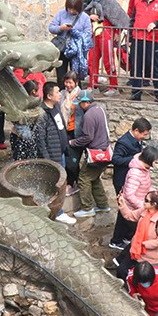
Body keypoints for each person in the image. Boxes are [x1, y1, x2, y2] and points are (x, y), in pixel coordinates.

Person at [33, 82, 77, 225]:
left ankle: (57, 211)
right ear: (49, 96)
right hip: (51, 156)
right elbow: (40, 139)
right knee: (54, 185)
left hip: (60, 153)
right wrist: (47, 159)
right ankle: (57, 212)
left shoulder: (56, 107)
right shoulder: (42, 113)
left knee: (61, 184)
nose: (60, 94)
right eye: (58, 92)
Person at [109, 117, 152, 249]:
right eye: (144, 134)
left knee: (131, 210)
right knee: (124, 210)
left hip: (132, 179)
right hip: (122, 180)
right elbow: (115, 159)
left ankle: (127, 236)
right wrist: (132, 159)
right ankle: (116, 240)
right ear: (136, 131)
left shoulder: (137, 141)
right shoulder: (123, 142)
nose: (144, 137)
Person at [69, 90, 112, 218]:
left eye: (80, 103)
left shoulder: (88, 115)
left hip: (96, 153)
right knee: (94, 178)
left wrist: (73, 142)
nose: (79, 106)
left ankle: (87, 207)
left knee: (83, 178)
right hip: (104, 152)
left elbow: (87, 137)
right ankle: (103, 205)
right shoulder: (100, 109)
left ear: (86, 102)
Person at [84, 0, 130, 96]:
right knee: (92, 59)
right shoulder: (93, 2)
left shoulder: (110, 1)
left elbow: (118, 17)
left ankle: (113, 86)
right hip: (95, 33)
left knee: (108, 61)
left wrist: (117, 32)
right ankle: (92, 84)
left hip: (107, 32)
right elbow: (86, 11)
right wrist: (90, 16)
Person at [110, 145, 158, 251]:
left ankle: (124, 240)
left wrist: (153, 192)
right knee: (132, 226)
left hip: (136, 204)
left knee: (125, 226)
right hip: (131, 206)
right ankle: (119, 244)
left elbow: (144, 185)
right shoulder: (135, 173)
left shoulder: (143, 169)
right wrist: (142, 206)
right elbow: (129, 194)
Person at [116, 190, 158, 278]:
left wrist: (144, 244)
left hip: (148, 258)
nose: (143, 202)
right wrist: (122, 204)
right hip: (135, 251)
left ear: (153, 204)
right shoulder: (143, 211)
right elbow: (130, 216)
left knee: (141, 279)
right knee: (121, 271)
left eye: (146, 200)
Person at [129, 0, 158, 101]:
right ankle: (136, 93)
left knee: (155, 66)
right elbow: (132, 20)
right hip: (138, 37)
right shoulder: (138, 2)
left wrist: (157, 24)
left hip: (154, 39)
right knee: (136, 66)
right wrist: (130, 38)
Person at [49, 0, 92, 87]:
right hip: (62, 48)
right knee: (61, 75)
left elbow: (88, 35)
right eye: (69, 9)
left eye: (74, 9)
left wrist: (75, 33)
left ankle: (76, 95)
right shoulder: (61, 14)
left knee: (75, 75)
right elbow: (51, 28)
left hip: (76, 51)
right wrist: (61, 28)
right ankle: (61, 93)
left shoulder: (85, 18)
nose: (72, 11)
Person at [60, 71, 84, 195]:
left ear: (76, 83)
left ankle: (71, 183)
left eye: (70, 82)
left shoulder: (81, 96)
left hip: (76, 132)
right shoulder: (62, 94)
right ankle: (73, 182)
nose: (68, 85)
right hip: (64, 130)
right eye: (66, 82)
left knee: (73, 160)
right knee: (66, 159)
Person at [9, 80, 39, 161]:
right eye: (37, 91)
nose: (39, 94)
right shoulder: (29, 104)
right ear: (33, 92)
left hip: (16, 135)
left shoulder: (18, 101)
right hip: (21, 137)